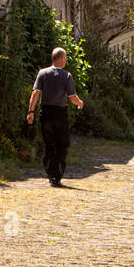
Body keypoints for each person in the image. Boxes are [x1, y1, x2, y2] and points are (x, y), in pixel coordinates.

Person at [26, 47, 84, 187]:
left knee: (49, 144)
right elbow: (72, 97)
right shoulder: (67, 76)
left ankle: (50, 173)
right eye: (66, 58)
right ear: (61, 59)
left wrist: (31, 112)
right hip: (60, 114)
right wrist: (80, 103)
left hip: (45, 112)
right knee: (62, 145)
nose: (66, 60)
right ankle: (57, 176)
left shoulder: (42, 73)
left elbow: (35, 94)